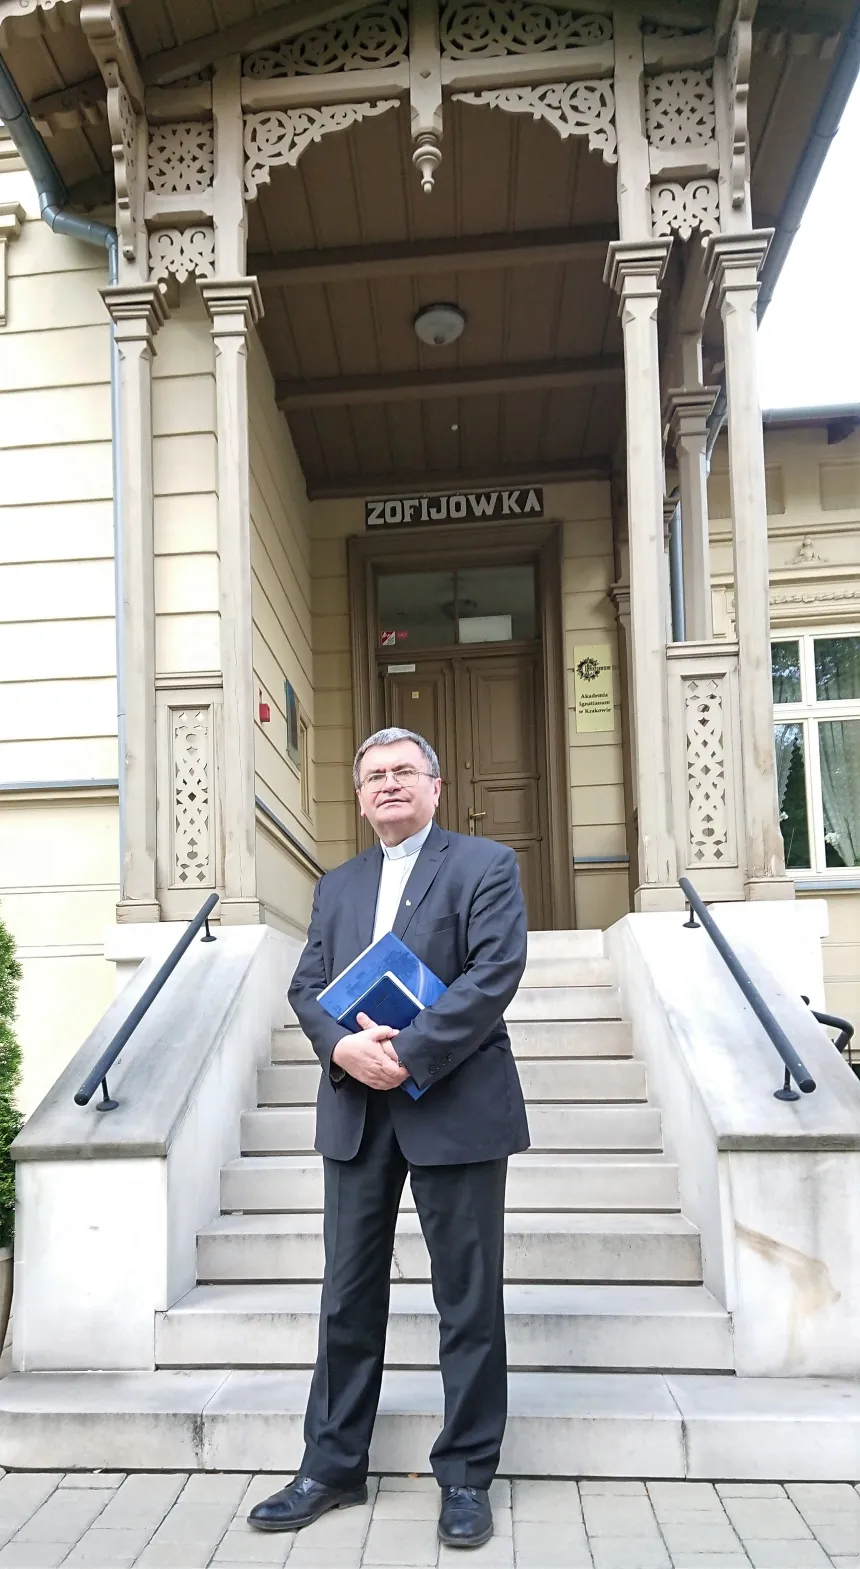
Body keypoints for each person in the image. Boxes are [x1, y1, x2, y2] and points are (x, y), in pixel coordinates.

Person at [249, 726, 529, 1550]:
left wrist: (405, 1052)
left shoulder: (485, 865)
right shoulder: (337, 885)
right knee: (346, 1293)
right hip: (356, 1109)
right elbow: (308, 985)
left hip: (456, 1103)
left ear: (436, 786)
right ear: (361, 796)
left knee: (467, 1297)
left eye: (405, 770)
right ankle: (331, 1466)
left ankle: (467, 1474)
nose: (390, 783)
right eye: (375, 774)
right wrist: (343, 1048)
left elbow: (493, 973)